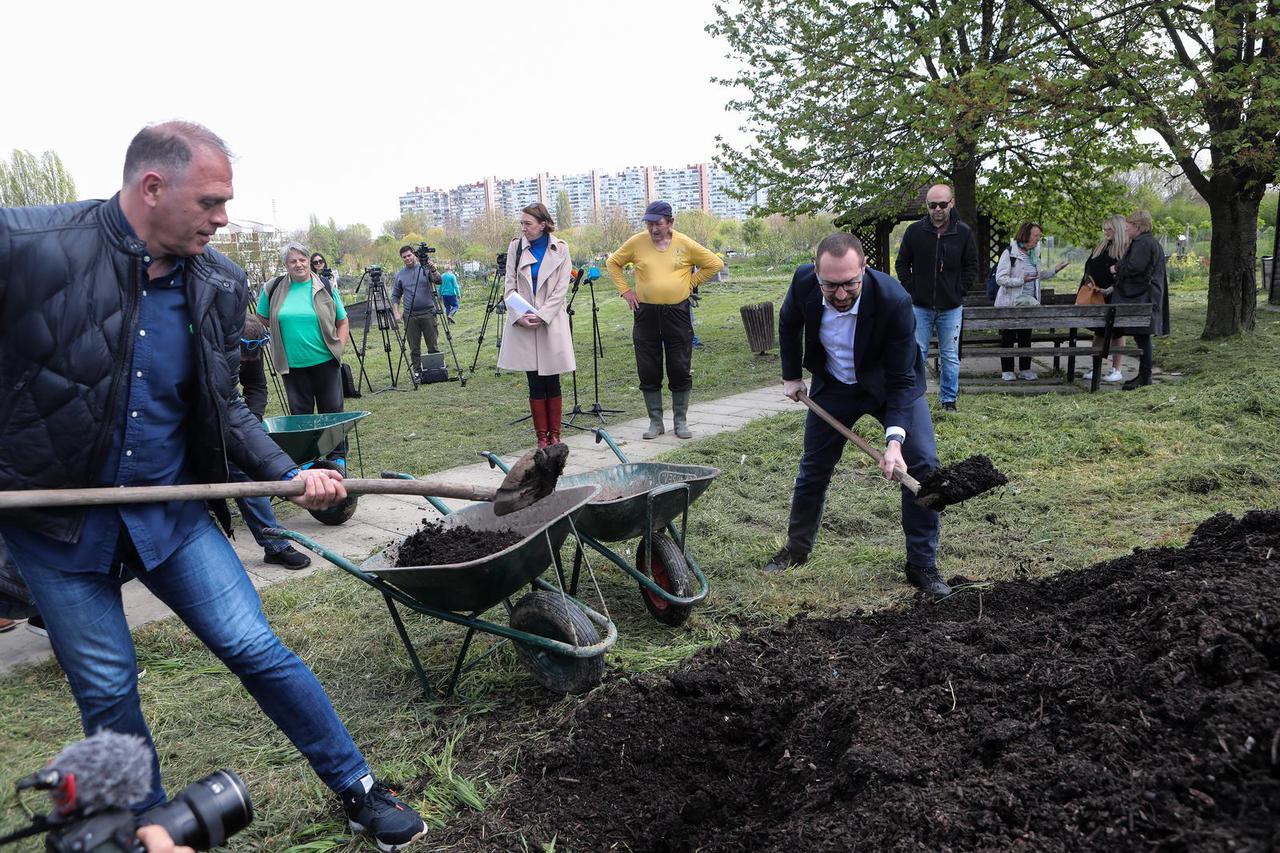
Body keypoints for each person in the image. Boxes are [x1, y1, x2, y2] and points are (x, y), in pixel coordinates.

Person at [0, 122, 425, 852]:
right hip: (55, 529)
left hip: (171, 512)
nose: (224, 217)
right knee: (106, 688)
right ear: (152, 188)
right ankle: (154, 830)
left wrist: (287, 475)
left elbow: (225, 405)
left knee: (255, 645)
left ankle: (358, 787)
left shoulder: (219, 282)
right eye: (213, 200)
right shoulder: (33, 245)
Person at [765, 232, 950, 599]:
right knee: (813, 467)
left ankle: (922, 565)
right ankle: (797, 549)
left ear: (864, 268)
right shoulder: (804, 282)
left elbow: (901, 379)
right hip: (833, 386)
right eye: (830, 285)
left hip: (889, 384)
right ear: (816, 274)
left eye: (849, 283)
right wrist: (790, 375)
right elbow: (788, 322)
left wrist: (894, 442)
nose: (840, 293)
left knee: (922, 463)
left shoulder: (894, 300)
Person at [607, 201, 723, 439]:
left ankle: (680, 422)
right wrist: (625, 290)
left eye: (657, 223)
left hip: (677, 314)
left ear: (670, 222)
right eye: (649, 224)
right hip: (646, 314)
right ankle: (655, 422)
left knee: (679, 367)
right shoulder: (637, 242)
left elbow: (715, 264)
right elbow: (613, 262)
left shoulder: (685, 243)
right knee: (648, 368)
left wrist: (690, 283)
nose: (653, 229)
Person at [256, 242, 351, 462]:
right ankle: (308, 459)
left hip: (325, 361)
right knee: (301, 417)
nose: (298, 264)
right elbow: (262, 317)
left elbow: (343, 320)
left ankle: (337, 457)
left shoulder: (325, 285)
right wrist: (282, 330)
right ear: (286, 265)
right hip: (292, 365)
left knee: (333, 412)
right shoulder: (273, 287)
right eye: (292, 261)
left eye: (302, 259)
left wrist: (340, 347)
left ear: (309, 261)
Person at [233, 312, 310, 569]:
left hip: (228, 418)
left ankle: (275, 546)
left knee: (248, 472)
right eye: (241, 359)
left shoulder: (251, 346)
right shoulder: (206, 351)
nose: (247, 363)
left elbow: (255, 387)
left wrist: (250, 425)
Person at [894, 184, 978, 412]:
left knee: (949, 355)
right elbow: (901, 263)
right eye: (932, 205)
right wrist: (912, 289)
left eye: (942, 204)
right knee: (917, 354)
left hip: (951, 307)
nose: (937, 209)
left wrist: (959, 290)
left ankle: (949, 400)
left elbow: (972, 266)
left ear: (951, 203)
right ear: (927, 206)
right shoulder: (914, 232)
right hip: (920, 306)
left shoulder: (963, 232)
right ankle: (914, 399)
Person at [498, 203, 576, 448]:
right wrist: (518, 315)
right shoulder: (515, 247)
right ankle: (541, 438)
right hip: (524, 322)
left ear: (543, 224)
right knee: (534, 381)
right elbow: (509, 286)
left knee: (552, 380)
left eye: (528, 224)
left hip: (549, 322)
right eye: (521, 223)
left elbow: (561, 289)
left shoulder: (561, 249)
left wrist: (542, 316)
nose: (524, 228)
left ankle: (555, 436)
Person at [994, 221, 1069, 381]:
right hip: (1011, 303)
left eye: (1039, 236)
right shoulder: (1010, 253)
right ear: (1026, 234)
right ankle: (1007, 371)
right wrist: (1021, 280)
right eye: (1036, 235)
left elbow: (1037, 276)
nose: (1038, 239)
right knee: (1008, 337)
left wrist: (1054, 270)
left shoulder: (1034, 253)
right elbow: (1000, 279)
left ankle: (1025, 369)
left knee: (1025, 337)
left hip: (1029, 303)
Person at [1113, 210, 1169, 390]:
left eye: (1128, 226)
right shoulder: (1147, 242)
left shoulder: (1143, 244)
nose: (1126, 229)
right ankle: (1144, 376)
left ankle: (1145, 377)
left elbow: (1134, 267)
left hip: (1144, 296)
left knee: (1142, 337)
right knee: (1141, 337)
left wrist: (1117, 268)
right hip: (1147, 294)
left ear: (1137, 227)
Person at [1080, 215, 1129, 383]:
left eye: (1110, 228)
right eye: (1105, 228)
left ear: (1119, 229)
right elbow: (1089, 267)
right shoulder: (1101, 246)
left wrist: (1112, 288)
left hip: (1115, 296)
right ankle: (1096, 366)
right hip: (1097, 295)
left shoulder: (1125, 249)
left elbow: (1126, 274)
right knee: (1099, 332)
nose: (1106, 232)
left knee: (1117, 333)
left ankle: (1117, 369)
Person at [391, 245, 440, 376]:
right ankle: (417, 372)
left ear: (414, 254)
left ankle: (435, 370)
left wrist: (433, 269)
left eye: (409, 255)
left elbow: (438, 280)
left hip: (428, 313)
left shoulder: (425, 268)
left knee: (433, 346)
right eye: (404, 257)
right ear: (402, 258)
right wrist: (396, 313)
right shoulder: (400, 275)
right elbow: (395, 295)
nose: (407, 258)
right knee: (414, 348)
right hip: (410, 316)